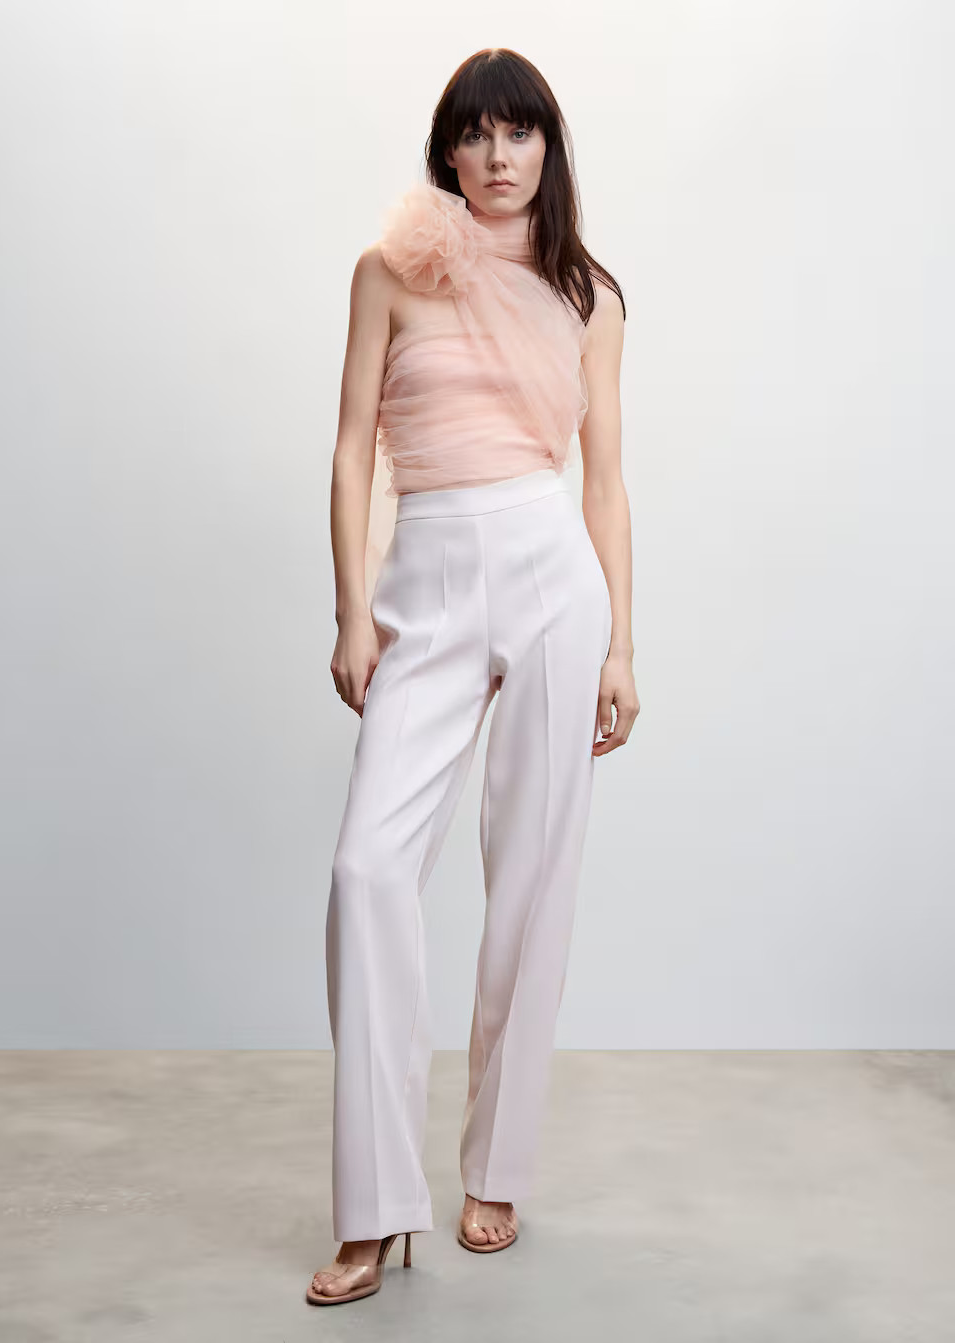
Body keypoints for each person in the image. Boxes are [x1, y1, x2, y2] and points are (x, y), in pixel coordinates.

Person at [307, 47, 639, 1307]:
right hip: (430, 576)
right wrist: (354, 611)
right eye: (476, 134)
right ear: (446, 150)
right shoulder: (389, 271)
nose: (500, 157)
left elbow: (605, 480)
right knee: (367, 869)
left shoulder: (588, 293)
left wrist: (621, 644)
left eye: (522, 133)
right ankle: (375, 1205)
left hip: (555, 573)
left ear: (549, 148)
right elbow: (352, 448)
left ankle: (496, 1168)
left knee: (534, 876)